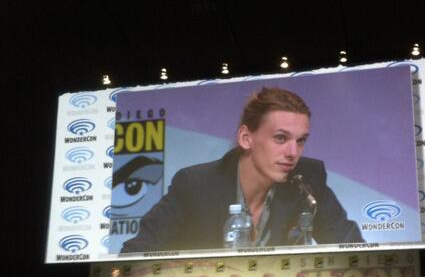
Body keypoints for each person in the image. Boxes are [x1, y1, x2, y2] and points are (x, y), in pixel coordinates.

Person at [121, 87, 363, 253]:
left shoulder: (307, 179)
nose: (293, 152)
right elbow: (136, 254)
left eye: (300, 141)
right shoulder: (194, 184)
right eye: (280, 138)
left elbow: (353, 249)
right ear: (246, 138)